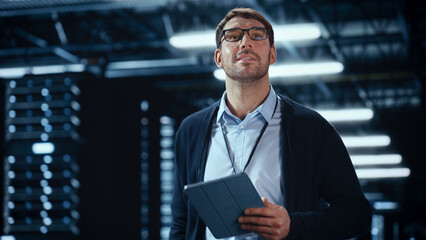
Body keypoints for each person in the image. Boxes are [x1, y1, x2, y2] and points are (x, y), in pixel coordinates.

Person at [170, 7, 372, 240]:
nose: (245, 42)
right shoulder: (191, 131)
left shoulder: (311, 128)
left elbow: (357, 214)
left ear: (272, 54)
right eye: (234, 36)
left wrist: (294, 226)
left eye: (257, 35)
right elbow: (181, 223)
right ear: (218, 58)